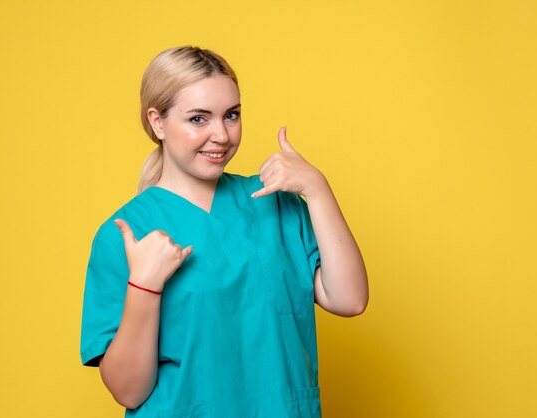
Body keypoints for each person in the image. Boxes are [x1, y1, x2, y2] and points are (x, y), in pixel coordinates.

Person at [80, 45, 368, 418]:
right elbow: (128, 392)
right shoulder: (128, 233)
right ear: (158, 122)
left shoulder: (274, 203)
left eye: (231, 115)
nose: (221, 134)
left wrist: (317, 188)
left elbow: (349, 300)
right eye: (199, 119)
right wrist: (145, 286)